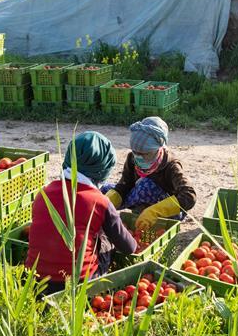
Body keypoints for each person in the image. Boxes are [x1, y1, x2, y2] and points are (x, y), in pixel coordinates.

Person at [25, 131, 137, 295]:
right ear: (103, 169)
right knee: (105, 238)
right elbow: (129, 247)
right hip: (77, 285)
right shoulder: (100, 201)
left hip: (35, 282)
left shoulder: (43, 194)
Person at [104, 117, 196, 231]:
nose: (139, 157)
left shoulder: (171, 166)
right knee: (104, 190)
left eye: (145, 154)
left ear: (158, 149)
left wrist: (155, 211)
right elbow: (125, 185)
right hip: (141, 204)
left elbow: (189, 195)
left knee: (146, 186)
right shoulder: (132, 159)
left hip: (167, 213)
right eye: (135, 152)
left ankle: (147, 212)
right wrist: (106, 204)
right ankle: (139, 210)